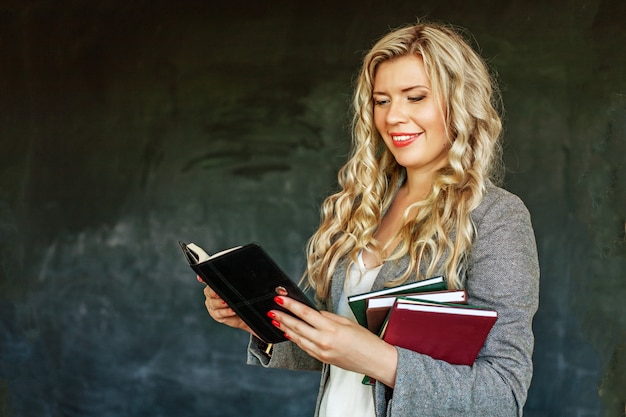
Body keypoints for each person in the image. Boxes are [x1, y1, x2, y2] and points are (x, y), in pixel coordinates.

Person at [202, 20, 539, 417]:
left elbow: (502, 394)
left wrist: (379, 358)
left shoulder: (497, 217)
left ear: (460, 102)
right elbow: (342, 352)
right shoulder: (365, 208)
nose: (394, 116)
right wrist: (262, 322)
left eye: (415, 97)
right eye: (382, 100)